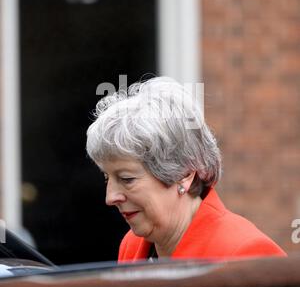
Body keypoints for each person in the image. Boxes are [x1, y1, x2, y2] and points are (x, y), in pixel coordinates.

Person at [86, 76, 286, 261]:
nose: (110, 197)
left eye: (127, 179)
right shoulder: (132, 246)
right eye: (107, 178)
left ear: (184, 174)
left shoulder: (247, 254)